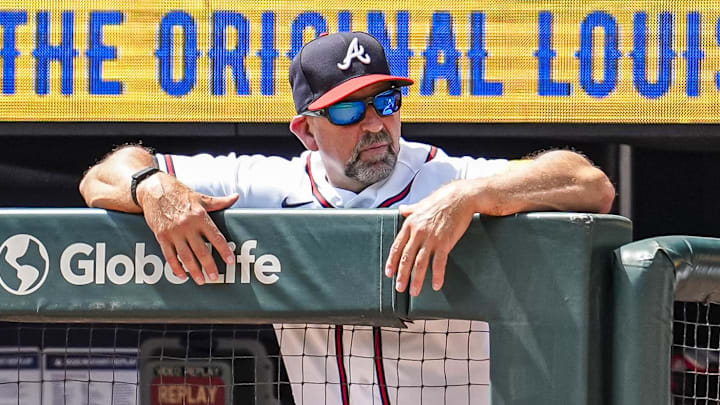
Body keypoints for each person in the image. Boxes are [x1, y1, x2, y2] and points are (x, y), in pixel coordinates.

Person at [80, 31, 615, 405]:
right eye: (347, 110)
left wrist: (472, 197)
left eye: (386, 100)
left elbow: (589, 183)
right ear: (308, 131)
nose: (375, 123)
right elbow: (101, 176)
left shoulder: (445, 175)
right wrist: (153, 189)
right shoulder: (268, 185)